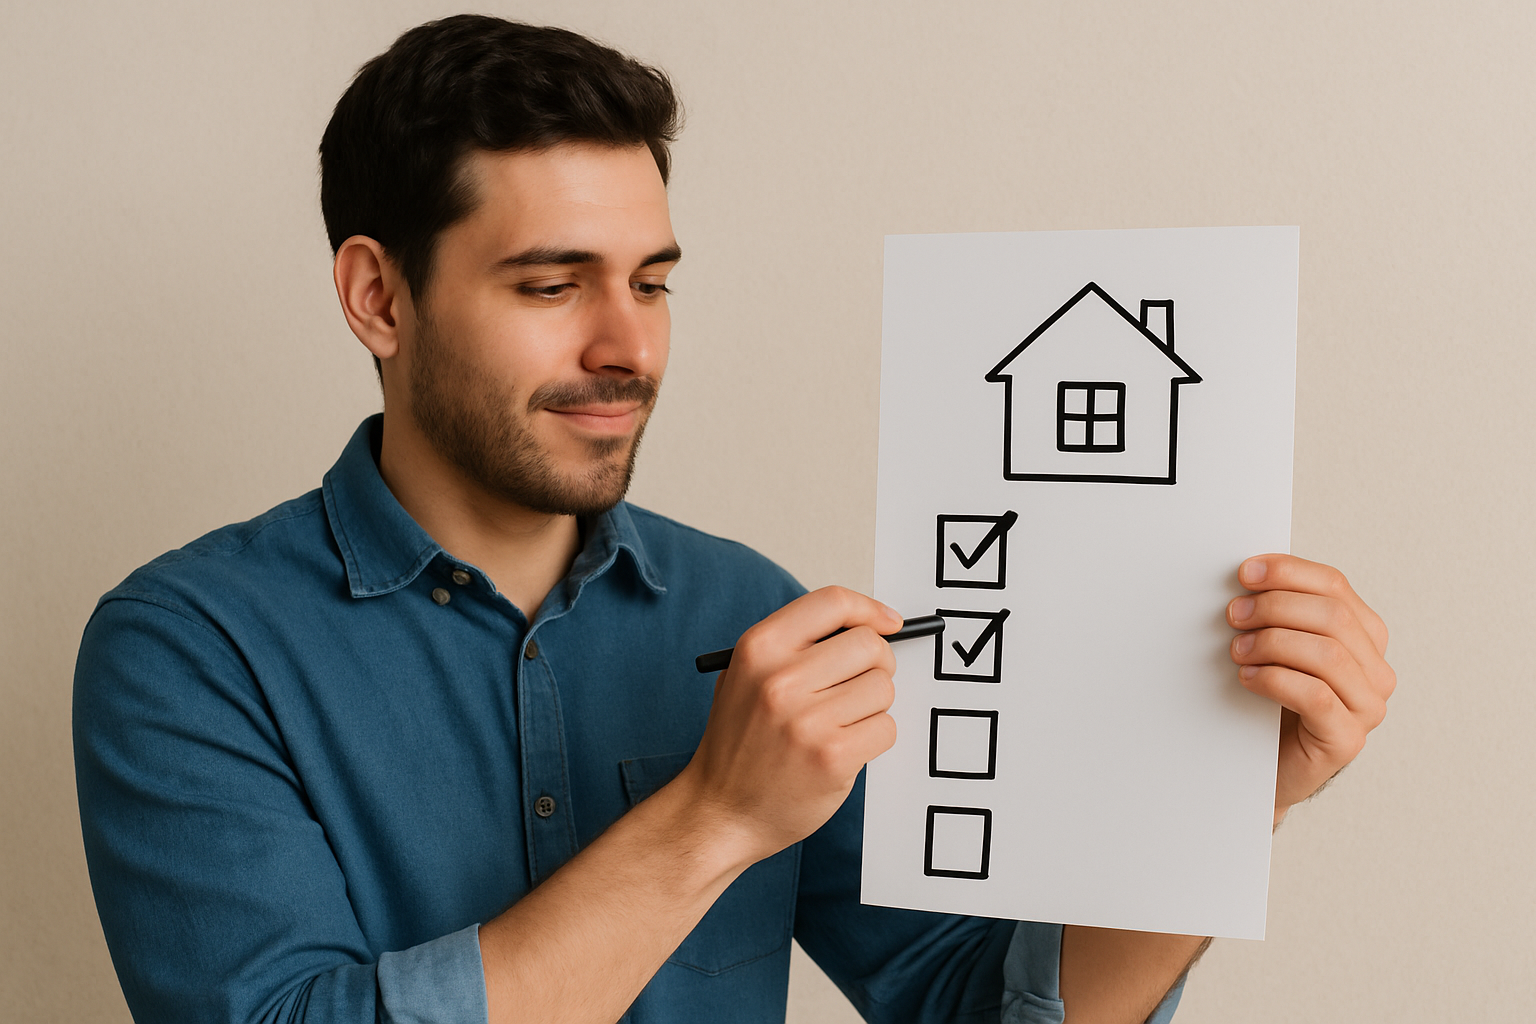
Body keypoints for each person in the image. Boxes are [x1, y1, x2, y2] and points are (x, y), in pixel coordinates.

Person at [72, 15, 1395, 1024]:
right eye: (550, 284)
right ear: (378, 298)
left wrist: (1207, 809)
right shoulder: (188, 647)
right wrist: (715, 818)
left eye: (652, 282)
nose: (625, 346)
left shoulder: (743, 608)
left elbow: (975, 1004)